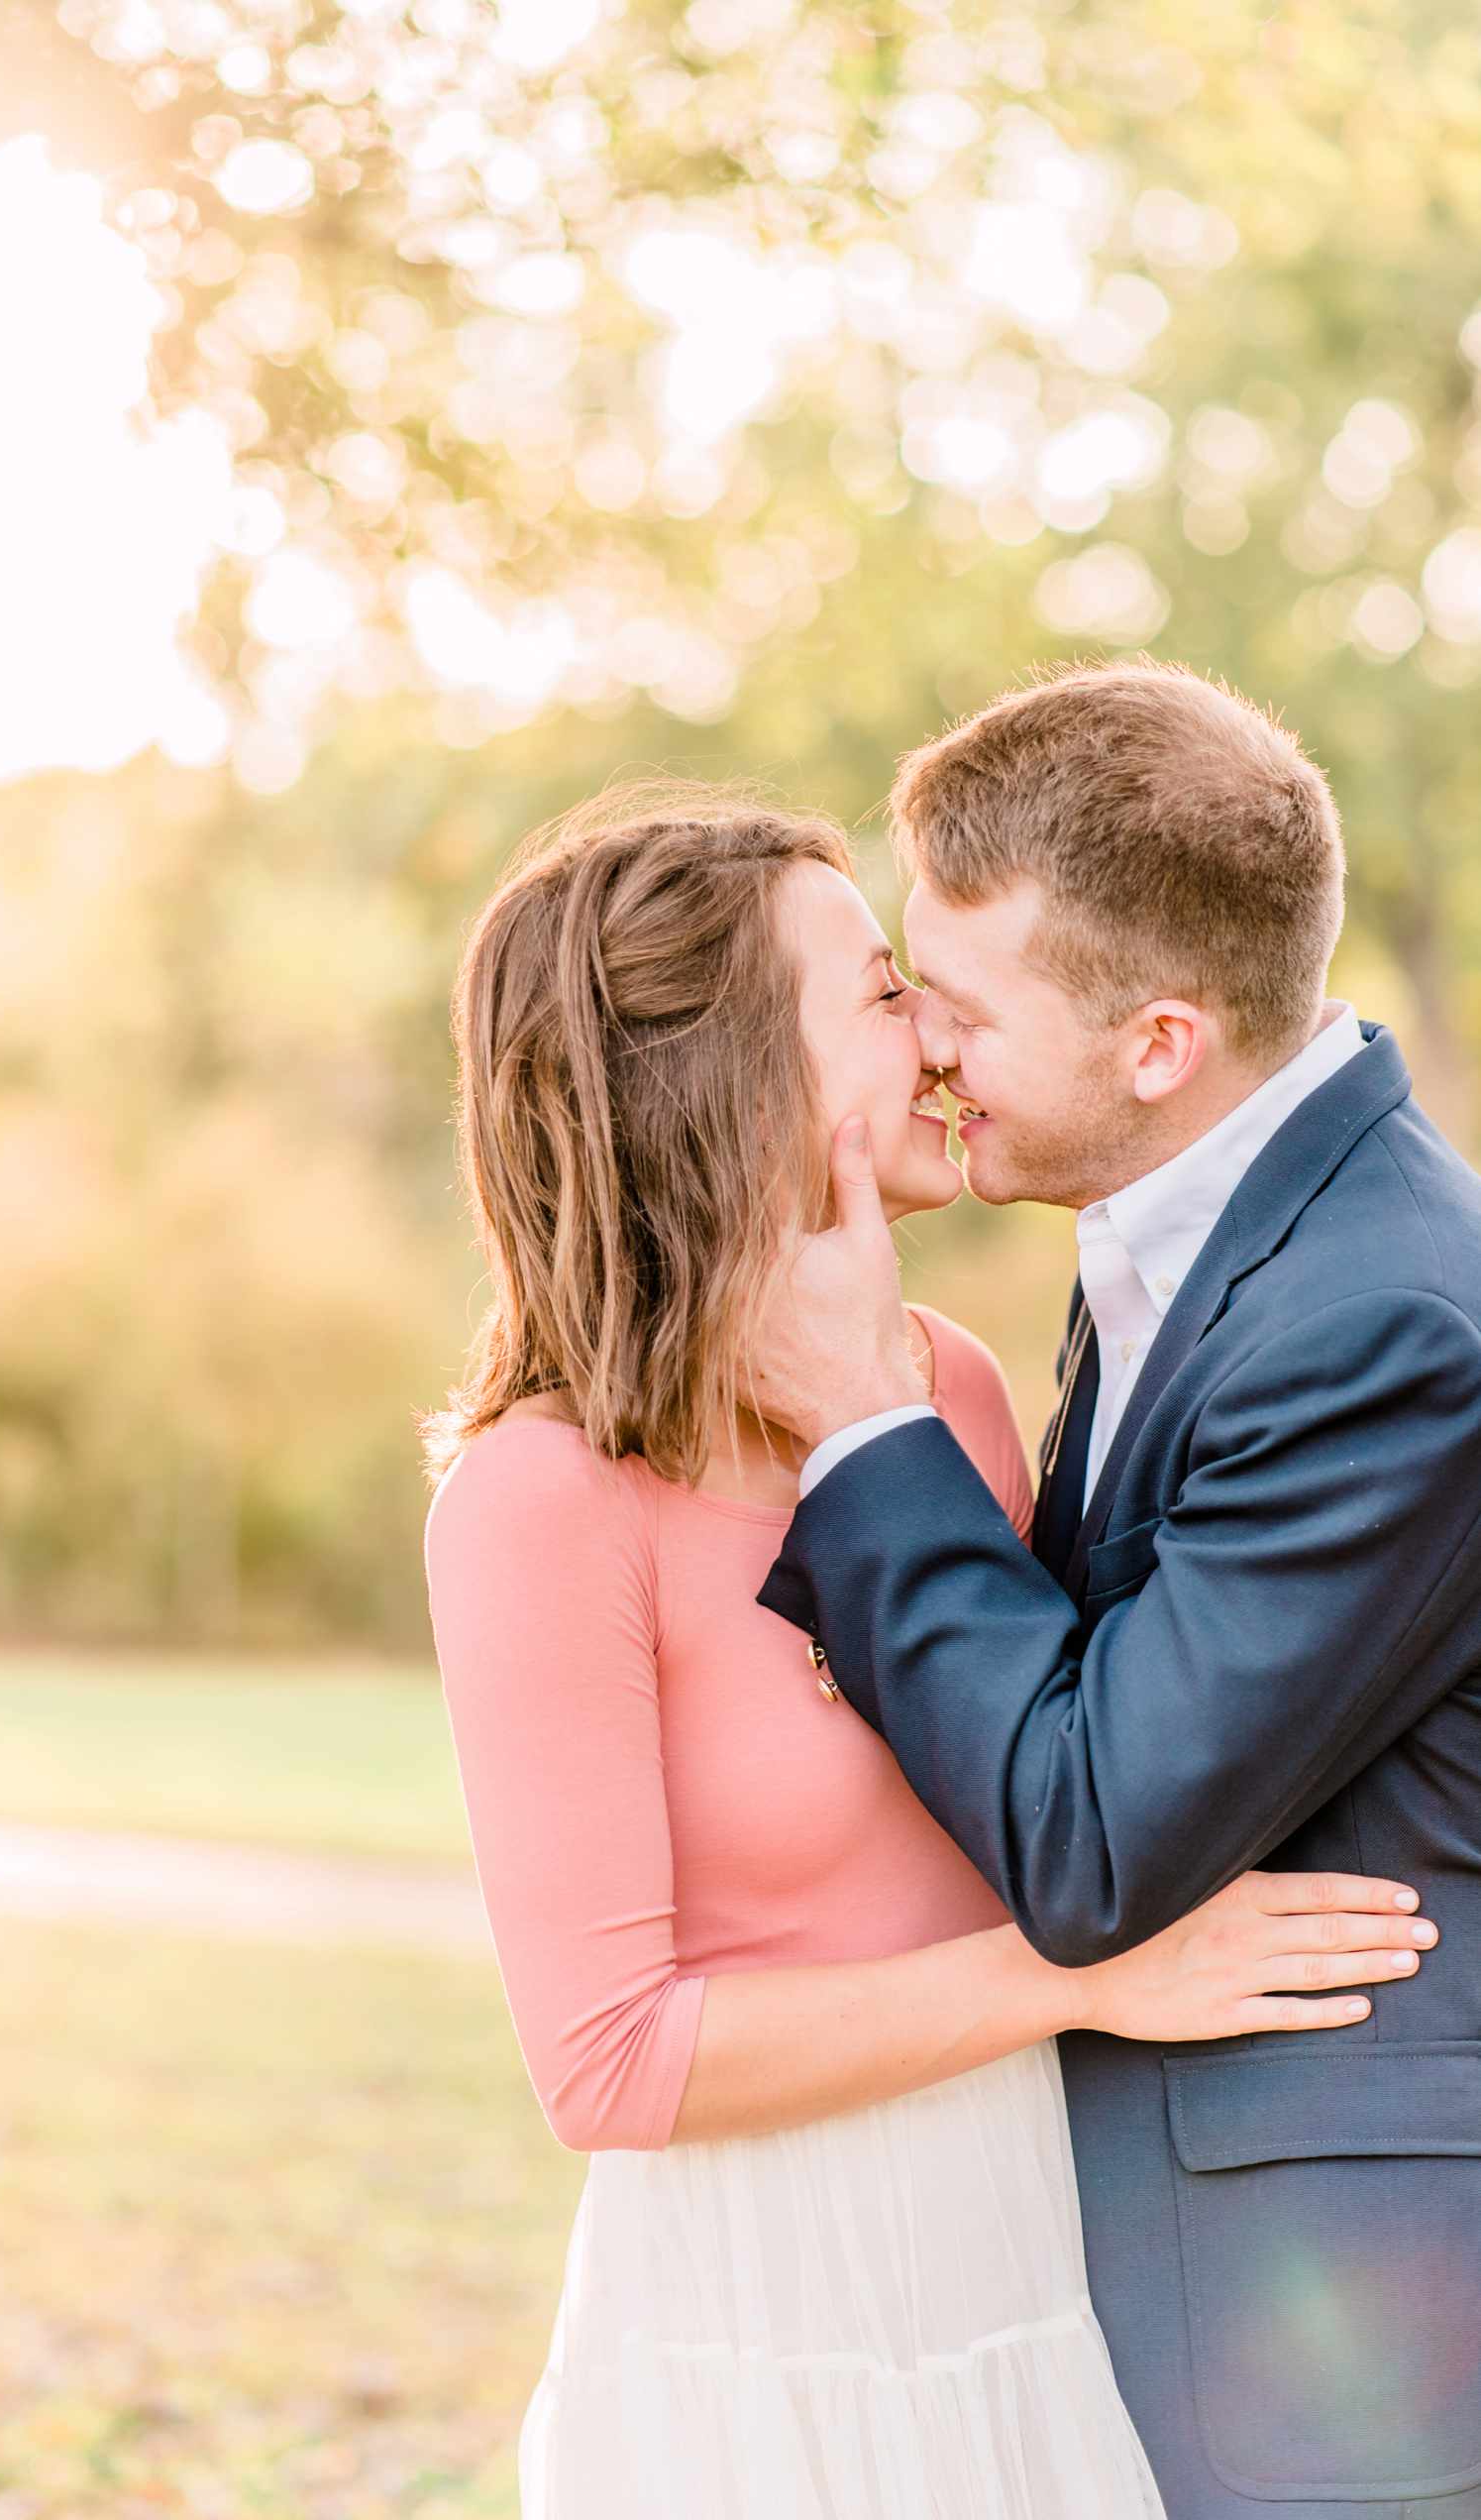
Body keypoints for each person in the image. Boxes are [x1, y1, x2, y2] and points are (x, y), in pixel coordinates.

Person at [420, 782, 1432, 2515]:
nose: (939, 1036)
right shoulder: (543, 1496)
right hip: (756, 2315)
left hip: (1033, 2261)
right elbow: (607, 2058)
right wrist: (1081, 1978)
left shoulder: (954, 1391)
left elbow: (1067, 1761)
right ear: (729, 1073)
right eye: (887, 990)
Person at [739, 662, 1481, 2518]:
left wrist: (858, 1432)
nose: (919, 1049)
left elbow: (1089, 1827)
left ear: (1158, 1043)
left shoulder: (1380, 1317)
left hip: (1326, 2341)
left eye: (959, 1012)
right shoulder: (1203, 1219)